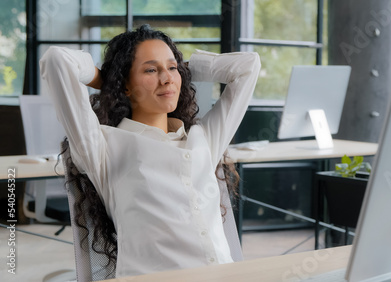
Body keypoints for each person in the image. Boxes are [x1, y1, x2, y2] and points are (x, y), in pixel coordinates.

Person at [39, 24, 261, 278]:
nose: (166, 78)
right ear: (125, 86)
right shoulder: (102, 146)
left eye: (171, 68)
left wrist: (180, 71)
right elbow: (57, 60)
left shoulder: (204, 138)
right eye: (151, 70)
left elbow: (248, 66)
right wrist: (109, 78)